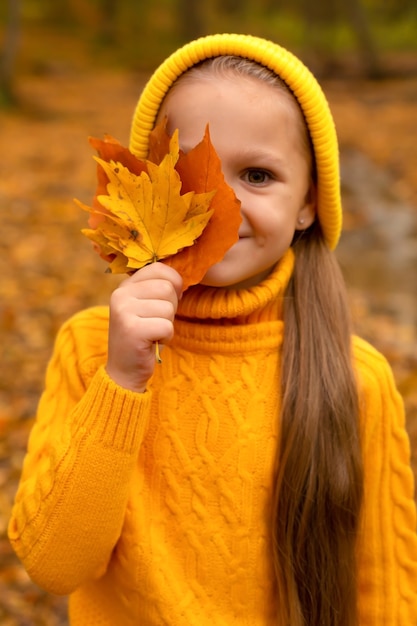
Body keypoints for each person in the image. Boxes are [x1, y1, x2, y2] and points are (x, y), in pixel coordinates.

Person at [8, 33, 417, 626]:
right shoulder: (91, 350)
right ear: (145, 189)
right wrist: (121, 381)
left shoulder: (358, 381)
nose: (220, 203)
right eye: (191, 172)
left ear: (308, 203)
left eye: (256, 175)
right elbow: (53, 564)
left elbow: (383, 594)